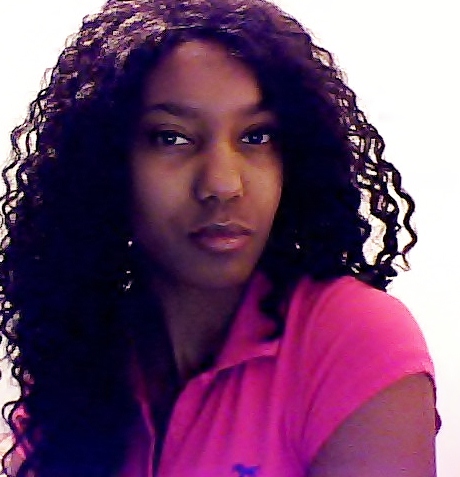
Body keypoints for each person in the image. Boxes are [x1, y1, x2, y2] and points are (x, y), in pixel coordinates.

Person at [0, 0, 440, 476]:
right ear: (104, 163)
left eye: (256, 137)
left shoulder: (351, 339)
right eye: (172, 137)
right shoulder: (80, 356)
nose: (223, 184)